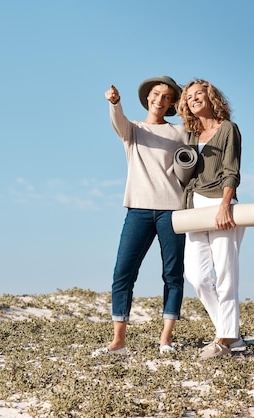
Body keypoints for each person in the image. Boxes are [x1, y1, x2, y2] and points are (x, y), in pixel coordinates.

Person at [93, 76, 187, 357]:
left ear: (172, 104)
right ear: (148, 97)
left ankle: (166, 340)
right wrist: (115, 102)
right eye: (156, 94)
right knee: (123, 273)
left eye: (167, 96)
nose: (160, 99)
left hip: (173, 211)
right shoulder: (133, 130)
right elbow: (118, 122)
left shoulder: (181, 133)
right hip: (138, 209)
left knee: (172, 275)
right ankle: (118, 342)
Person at [177, 79, 246, 360]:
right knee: (196, 275)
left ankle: (223, 339)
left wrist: (225, 206)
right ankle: (231, 335)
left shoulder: (228, 129)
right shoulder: (191, 134)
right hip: (194, 206)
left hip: (221, 204)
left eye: (198, 94)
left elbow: (232, 170)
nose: (193, 99)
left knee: (226, 274)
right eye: (189, 97)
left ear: (211, 97)